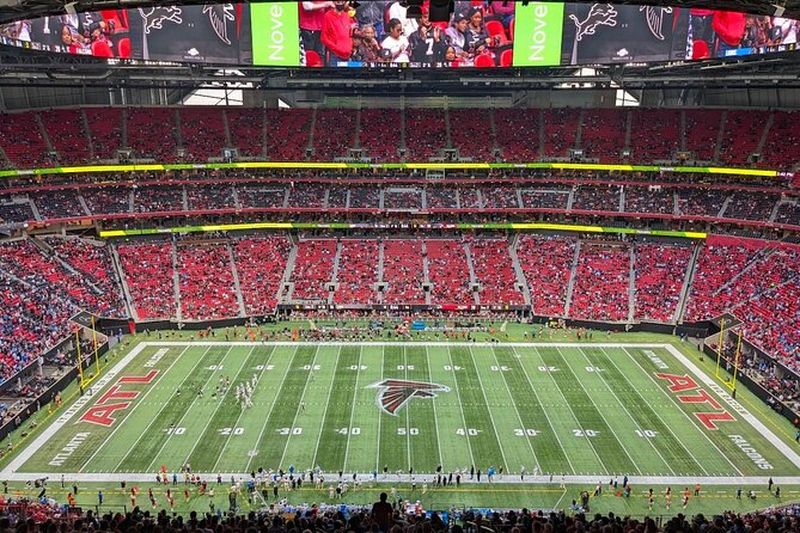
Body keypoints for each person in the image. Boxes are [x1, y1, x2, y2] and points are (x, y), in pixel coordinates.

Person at [321, 0, 354, 65]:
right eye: (338, 2)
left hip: (347, 54)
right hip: (335, 55)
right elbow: (324, 37)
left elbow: (349, 34)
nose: (340, 3)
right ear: (334, 2)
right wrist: (336, 48)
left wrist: (350, 47)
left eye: (342, 2)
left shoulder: (346, 16)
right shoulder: (328, 16)